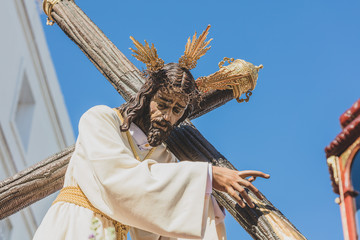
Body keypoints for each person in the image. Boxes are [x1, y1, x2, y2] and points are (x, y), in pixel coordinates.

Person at [33, 27, 269, 240]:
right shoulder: (101, 119)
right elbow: (116, 181)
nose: (167, 116)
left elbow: (159, 225)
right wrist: (206, 177)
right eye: (163, 103)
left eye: (177, 110)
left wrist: (206, 202)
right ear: (146, 98)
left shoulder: (165, 159)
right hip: (77, 226)